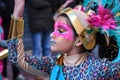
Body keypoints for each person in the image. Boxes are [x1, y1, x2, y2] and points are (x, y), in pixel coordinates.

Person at [7, 0, 120, 80]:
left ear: (79, 40)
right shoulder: (54, 64)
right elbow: (17, 58)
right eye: (54, 29)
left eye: (61, 30)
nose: (52, 35)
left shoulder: (99, 68)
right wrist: (17, 14)